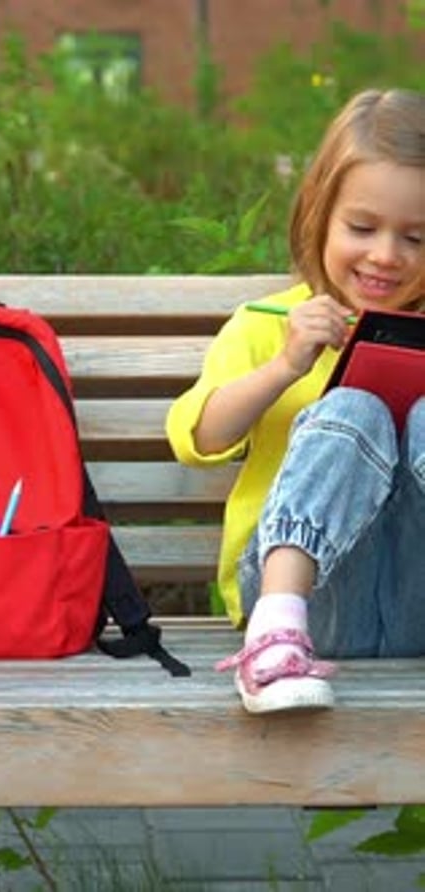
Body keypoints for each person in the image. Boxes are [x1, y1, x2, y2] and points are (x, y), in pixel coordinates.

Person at [166, 88, 425, 714]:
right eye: (362, 227)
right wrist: (285, 366)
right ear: (320, 214)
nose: (385, 255)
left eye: (416, 238)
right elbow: (196, 439)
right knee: (353, 410)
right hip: (316, 603)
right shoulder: (268, 323)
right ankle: (274, 637)